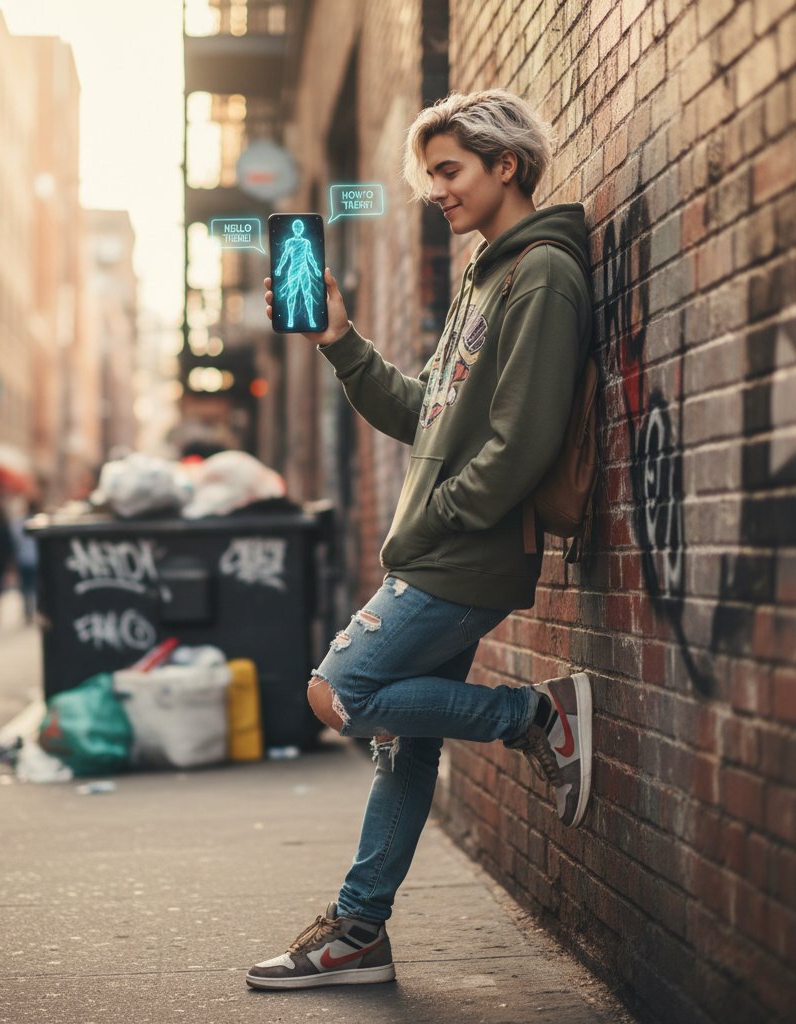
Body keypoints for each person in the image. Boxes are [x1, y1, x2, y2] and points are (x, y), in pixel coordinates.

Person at [246, 89, 595, 991]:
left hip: (462, 553)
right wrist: (343, 342)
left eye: (449, 170)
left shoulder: (543, 274)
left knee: (339, 691)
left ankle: (534, 716)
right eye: (428, 174)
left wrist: (430, 521)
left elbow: (522, 443)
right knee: (405, 741)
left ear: (504, 164)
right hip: (448, 545)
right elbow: (425, 413)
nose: (434, 190)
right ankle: (359, 931)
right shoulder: (485, 276)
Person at [10, 499, 41, 625]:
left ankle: (28, 610)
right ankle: (31, 610)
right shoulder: (39, 522)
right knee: (33, 586)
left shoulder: (19, 523)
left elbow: (14, 541)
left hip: (23, 559)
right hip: (35, 559)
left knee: (25, 586)